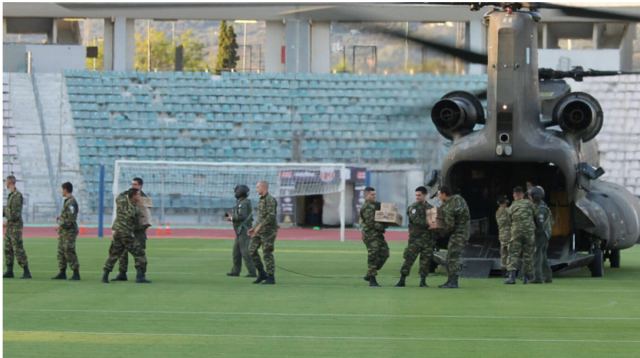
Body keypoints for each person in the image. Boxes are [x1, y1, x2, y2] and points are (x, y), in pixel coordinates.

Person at [102, 188, 151, 283]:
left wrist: (128, 191)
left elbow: (120, 195)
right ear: (133, 196)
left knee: (114, 254)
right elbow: (137, 225)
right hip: (127, 235)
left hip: (117, 233)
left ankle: (105, 275)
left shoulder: (121, 201)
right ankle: (140, 276)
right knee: (139, 253)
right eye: (138, 195)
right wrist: (145, 225)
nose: (139, 197)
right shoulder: (135, 209)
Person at [396, 186, 434, 288]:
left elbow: (435, 220)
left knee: (425, 261)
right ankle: (402, 280)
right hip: (415, 239)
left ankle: (423, 281)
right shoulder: (413, 207)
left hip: (428, 239)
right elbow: (416, 221)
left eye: (419, 195)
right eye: (416, 195)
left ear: (425, 195)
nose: (417, 197)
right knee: (409, 259)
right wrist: (430, 223)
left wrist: (434, 225)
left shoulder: (431, 208)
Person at [434, 186, 470, 289]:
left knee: (452, 258)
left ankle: (453, 282)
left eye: (439, 194)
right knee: (451, 256)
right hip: (463, 232)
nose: (438, 196)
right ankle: (450, 281)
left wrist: (439, 232)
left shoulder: (449, 206)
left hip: (458, 234)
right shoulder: (458, 199)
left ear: (444, 194)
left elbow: (450, 225)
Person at [248, 181, 278, 285]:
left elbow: (271, 216)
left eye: (257, 187)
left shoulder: (270, 199)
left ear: (263, 187)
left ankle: (271, 277)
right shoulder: (261, 200)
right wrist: (254, 228)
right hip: (259, 230)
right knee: (251, 250)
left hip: (268, 231)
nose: (256, 189)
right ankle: (262, 273)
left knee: (267, 253)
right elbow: (260, 216)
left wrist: (259, 227)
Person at [504, 186, 536, 284]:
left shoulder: (513, 206)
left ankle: (512, 277)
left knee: (513, 253)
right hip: (529, 232)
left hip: (516, 232)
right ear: (522, 194)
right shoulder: (530, 203)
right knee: (528, 254)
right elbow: (535, 213)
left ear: (514, 195)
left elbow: (508, 219)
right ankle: (527, 277)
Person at [359, 186, 389, 287]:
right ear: (366, 195)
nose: (374, 196)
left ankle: (369, 273)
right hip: (370, 235)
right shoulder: (367, 207)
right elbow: (371, 222)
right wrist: (383, 226)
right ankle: (372, 280)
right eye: (372, 195)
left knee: (385, 253)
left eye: (375, 194)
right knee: (373, 255)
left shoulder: (375, 205)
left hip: (378, 234)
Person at [3, 175, 31, 279]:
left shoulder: (17, 196)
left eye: (6, 181)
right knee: (8, 248)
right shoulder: (11, 195)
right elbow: (8, 211)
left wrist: (5, 211)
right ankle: (9, 270)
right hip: (10, 226)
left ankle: (26, 271)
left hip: (15, 227)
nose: (5, 183)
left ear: (10, 182)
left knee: (18, 248)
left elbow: (14, 214)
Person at [52, 182, 80, 280]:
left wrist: (61, 225)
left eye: (62, 189)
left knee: (69, 250)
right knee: (61, 251)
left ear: (65, 189)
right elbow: (67, 215)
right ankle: (62, 272)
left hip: (69, 231)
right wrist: (61, 217)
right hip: (64, 231)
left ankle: (76, 272)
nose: (61, 191)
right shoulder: (67, 201)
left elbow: (71, 219)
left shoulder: (71, 202)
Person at [226, 184, 256, 278]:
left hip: (243, 231)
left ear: (239, 192)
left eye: (236, 191)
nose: (235, 193)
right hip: (239, 232)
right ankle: (235, 271)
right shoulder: (241, 202)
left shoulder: (243, 203)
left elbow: (242, 216)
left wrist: (231, 218)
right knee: (236, 252)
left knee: (245, 252)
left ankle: (252, 272)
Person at [530, 186, 553, 284]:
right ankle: (547, 277)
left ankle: (538, 278)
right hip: (544, 234)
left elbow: (540, 225)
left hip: (541, 235)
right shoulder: (540, 206)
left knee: (537, 255)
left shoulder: (541, 209)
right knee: (543, 256)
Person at [495, 195, 511, 275]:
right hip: (509, 233)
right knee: (509, 252)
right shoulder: (507, 210)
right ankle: (509, 269)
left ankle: (503, 268)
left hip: (501, 234)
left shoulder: (497, 212)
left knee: (503, 252)